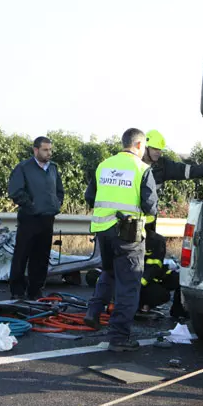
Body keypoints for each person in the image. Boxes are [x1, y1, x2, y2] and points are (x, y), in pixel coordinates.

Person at [83, 128, 157, 352]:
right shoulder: (142, 169)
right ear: (138, 145)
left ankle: (93, 312)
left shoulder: (104, 165)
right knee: (129, 285)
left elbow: (90, 196)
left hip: (103, 230)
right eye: (144, 146)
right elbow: (150, 206)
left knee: (109, 271)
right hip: (128, 233)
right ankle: (118, 337)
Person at [142, 129, 203, 317]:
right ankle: (137, 296)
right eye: (155, 149)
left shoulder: (161, 165)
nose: (158, 153)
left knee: (151, 257)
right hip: (130, 225)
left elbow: (184, 170)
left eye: (160, 150)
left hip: (149, 224)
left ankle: (144, 294)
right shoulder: (133, 165)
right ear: (145, 147)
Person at [7, 136, 64, 300]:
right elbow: (15, 191)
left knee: (41, 256)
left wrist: (57, 204)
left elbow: (59, 190)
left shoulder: (52, 168)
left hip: (47, 218)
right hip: (29, 218)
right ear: (36, 150)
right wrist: (31, 206)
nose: (49, 153)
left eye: (50, 150)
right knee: (22, 254)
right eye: (45, 150)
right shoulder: (24, 167)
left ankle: (36, 290)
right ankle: (17, 291)